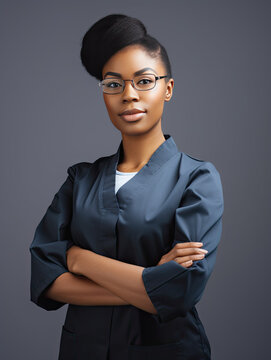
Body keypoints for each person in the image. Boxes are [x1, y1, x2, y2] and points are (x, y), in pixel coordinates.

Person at [29, 14, 224, 360]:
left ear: (168, 89)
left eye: (144, 81)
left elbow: (182, 291)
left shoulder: (196, 178)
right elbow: (47, 279)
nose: (129, 95)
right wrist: (151, 281)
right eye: (113, 84)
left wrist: (79, 258)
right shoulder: (81, 179)